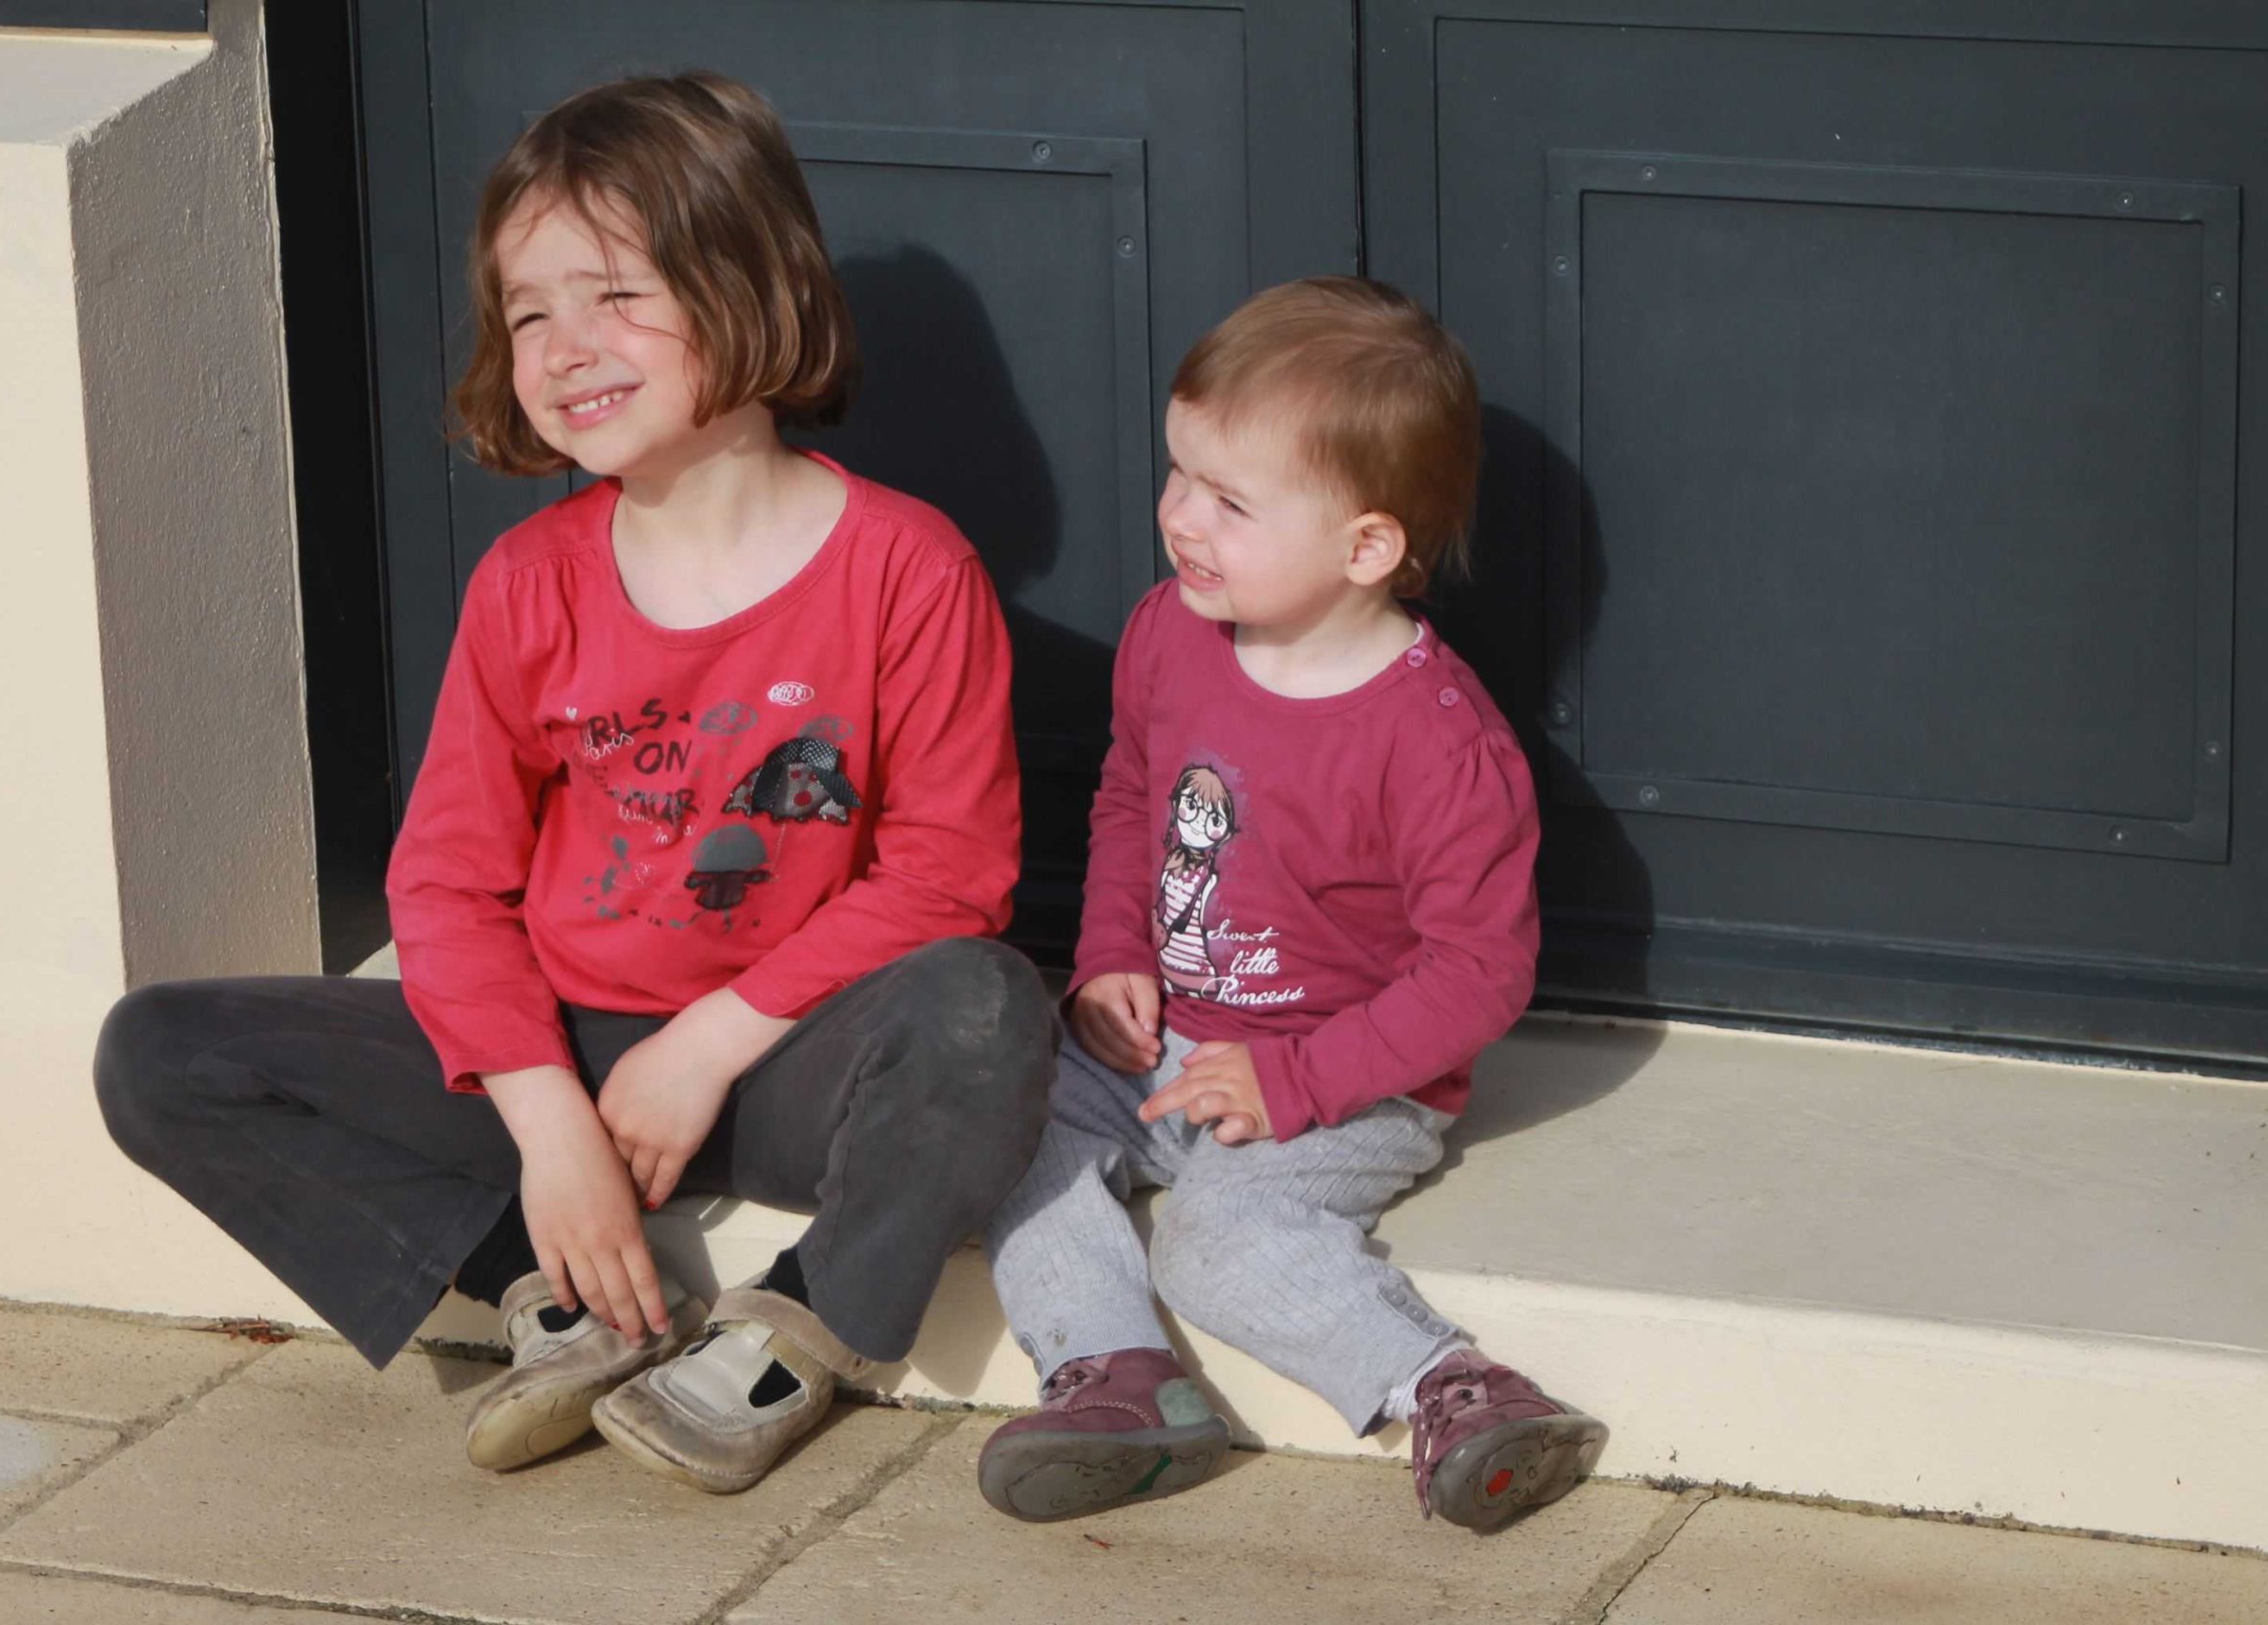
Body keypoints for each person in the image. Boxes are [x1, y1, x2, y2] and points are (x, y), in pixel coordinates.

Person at [95, 72, 1054, 1496]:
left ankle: (797, 1329)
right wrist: (548, 1123)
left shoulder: (907, 568)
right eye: (529, 311)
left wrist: (708, 1044)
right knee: (160, 1053)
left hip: (786, 1063)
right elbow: (447, 882)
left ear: (751, 284)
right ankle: (555, 1299)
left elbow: (949, 872)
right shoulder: (528, 582)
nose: (565, 347)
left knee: (985, 1008)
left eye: (615, 295)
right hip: (564, 1051)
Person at [979, 277, 1606, 1529]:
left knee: (1215, 1241)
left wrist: (1296, 1081)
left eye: (1230, 501)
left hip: (1346, 1076)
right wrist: (1111, 954)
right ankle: (1119, 1381)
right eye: (1179, 473)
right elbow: (1131, 795)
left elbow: (1478, 973)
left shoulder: (1438, 745)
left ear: (1365, 548)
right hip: (1160, 1038)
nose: (1180, 517)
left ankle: (1453, 1389)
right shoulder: (1170, 633)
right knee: (994, 1125)